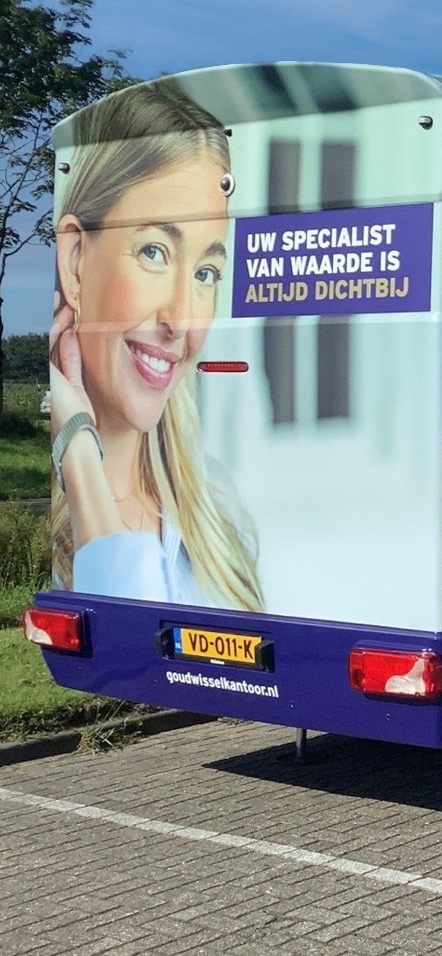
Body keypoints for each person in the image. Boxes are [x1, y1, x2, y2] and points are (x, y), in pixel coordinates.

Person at [50, 79, 263, 612]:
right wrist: (78, 451)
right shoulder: (49, 528)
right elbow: (132, 640)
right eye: (153, 252)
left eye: (206, 272)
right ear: (75, 262)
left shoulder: (219, 513)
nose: (181, 320)